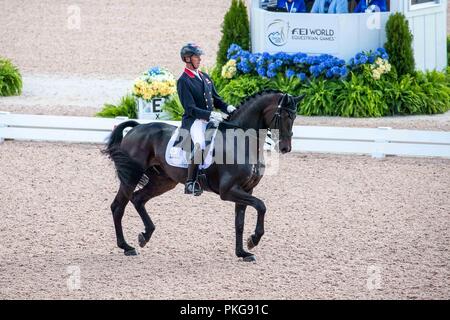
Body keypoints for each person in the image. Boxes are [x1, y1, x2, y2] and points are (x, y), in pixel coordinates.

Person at [177, 43, 236, 196]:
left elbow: (217, 100)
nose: (199, 59)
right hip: (195, 121)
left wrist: (228, 107)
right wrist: (209, 115)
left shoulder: (205, 77)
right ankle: (191, 182)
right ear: (187, 59)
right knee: (200, 144)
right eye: (196, 56)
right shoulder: (184, 80)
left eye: (199, 56)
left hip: (209, 119)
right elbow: (189, 108)